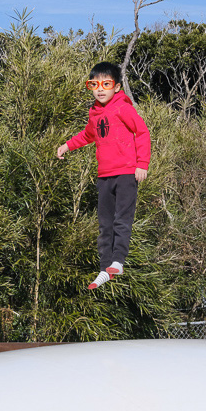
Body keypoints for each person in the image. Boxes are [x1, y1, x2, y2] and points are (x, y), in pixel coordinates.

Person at [57, 62, 151, 289]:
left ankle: (118, 261)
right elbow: (88, 135)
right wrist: (67, 146)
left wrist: (142, 164)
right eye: (95, 84)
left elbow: (142, 132)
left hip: (127, 173)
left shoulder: (123, 108)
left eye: (106, 84)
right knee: (105, 223)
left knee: (122, 219)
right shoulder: (94, 113)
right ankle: (105, 268)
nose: (100, 89)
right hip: (104, 175)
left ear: (117, 87)